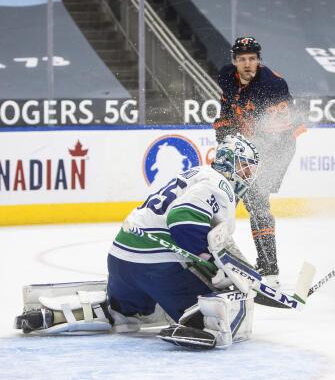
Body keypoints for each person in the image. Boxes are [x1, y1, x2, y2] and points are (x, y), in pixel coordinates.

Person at [15, 134, 260, 350]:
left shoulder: (196, 173)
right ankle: (198, 323)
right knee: (221, 303)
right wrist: (210, 264)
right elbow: (182, 219)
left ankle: (62, 314)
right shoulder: (221, 186)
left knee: (121, 316)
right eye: (245, 169)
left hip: (122, 263)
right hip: (158, 268)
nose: (247, 177)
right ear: (228, 161)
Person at [212, 36, 301, 287]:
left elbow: (278, 133)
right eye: (242, 59)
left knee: (257, 200)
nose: (247, 64)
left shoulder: (273, 86)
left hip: (278, 147)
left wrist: (245, 149)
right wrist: (225, 131)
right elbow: (227, 112)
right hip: (244, 145)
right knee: (221, 197)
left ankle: (270, 269)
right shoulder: (227, 76)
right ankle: (215, 260)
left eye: (252, 58)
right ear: (235, 62)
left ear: (259, 61)